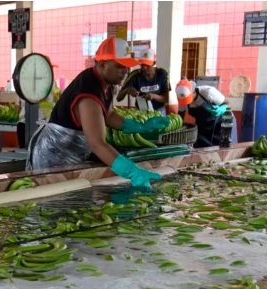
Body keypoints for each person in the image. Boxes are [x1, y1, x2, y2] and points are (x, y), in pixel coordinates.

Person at [27, 38, 169, 188]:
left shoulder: (105, 84)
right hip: (54, 156)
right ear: (102, 65)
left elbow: (108, 116)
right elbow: (97, 144)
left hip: (71, 151)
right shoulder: (89, 92)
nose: (125, 72)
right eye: (119, 66)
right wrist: (132, 171)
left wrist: (140, 126)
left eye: (127, 67)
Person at [175, 79, 230, 148]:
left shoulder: (208, 92)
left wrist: (222, 109)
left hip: (219, 125)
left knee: (221, 148)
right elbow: (180, 115)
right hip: (203, 127)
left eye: (188, 99)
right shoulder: (183, 100)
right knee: (200, 148)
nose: (187, 103)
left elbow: (228, 103)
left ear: (194, 92)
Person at [117, 48, 170, 112]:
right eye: (142, 64)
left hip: (159, 111)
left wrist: (153, 96)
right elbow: (118, 98)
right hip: (141, 112)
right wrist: (127, 90)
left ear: (154, 63)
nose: (144, 68)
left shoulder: (162, 74)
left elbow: (167, 98)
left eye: (147, 65)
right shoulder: (134, 75)